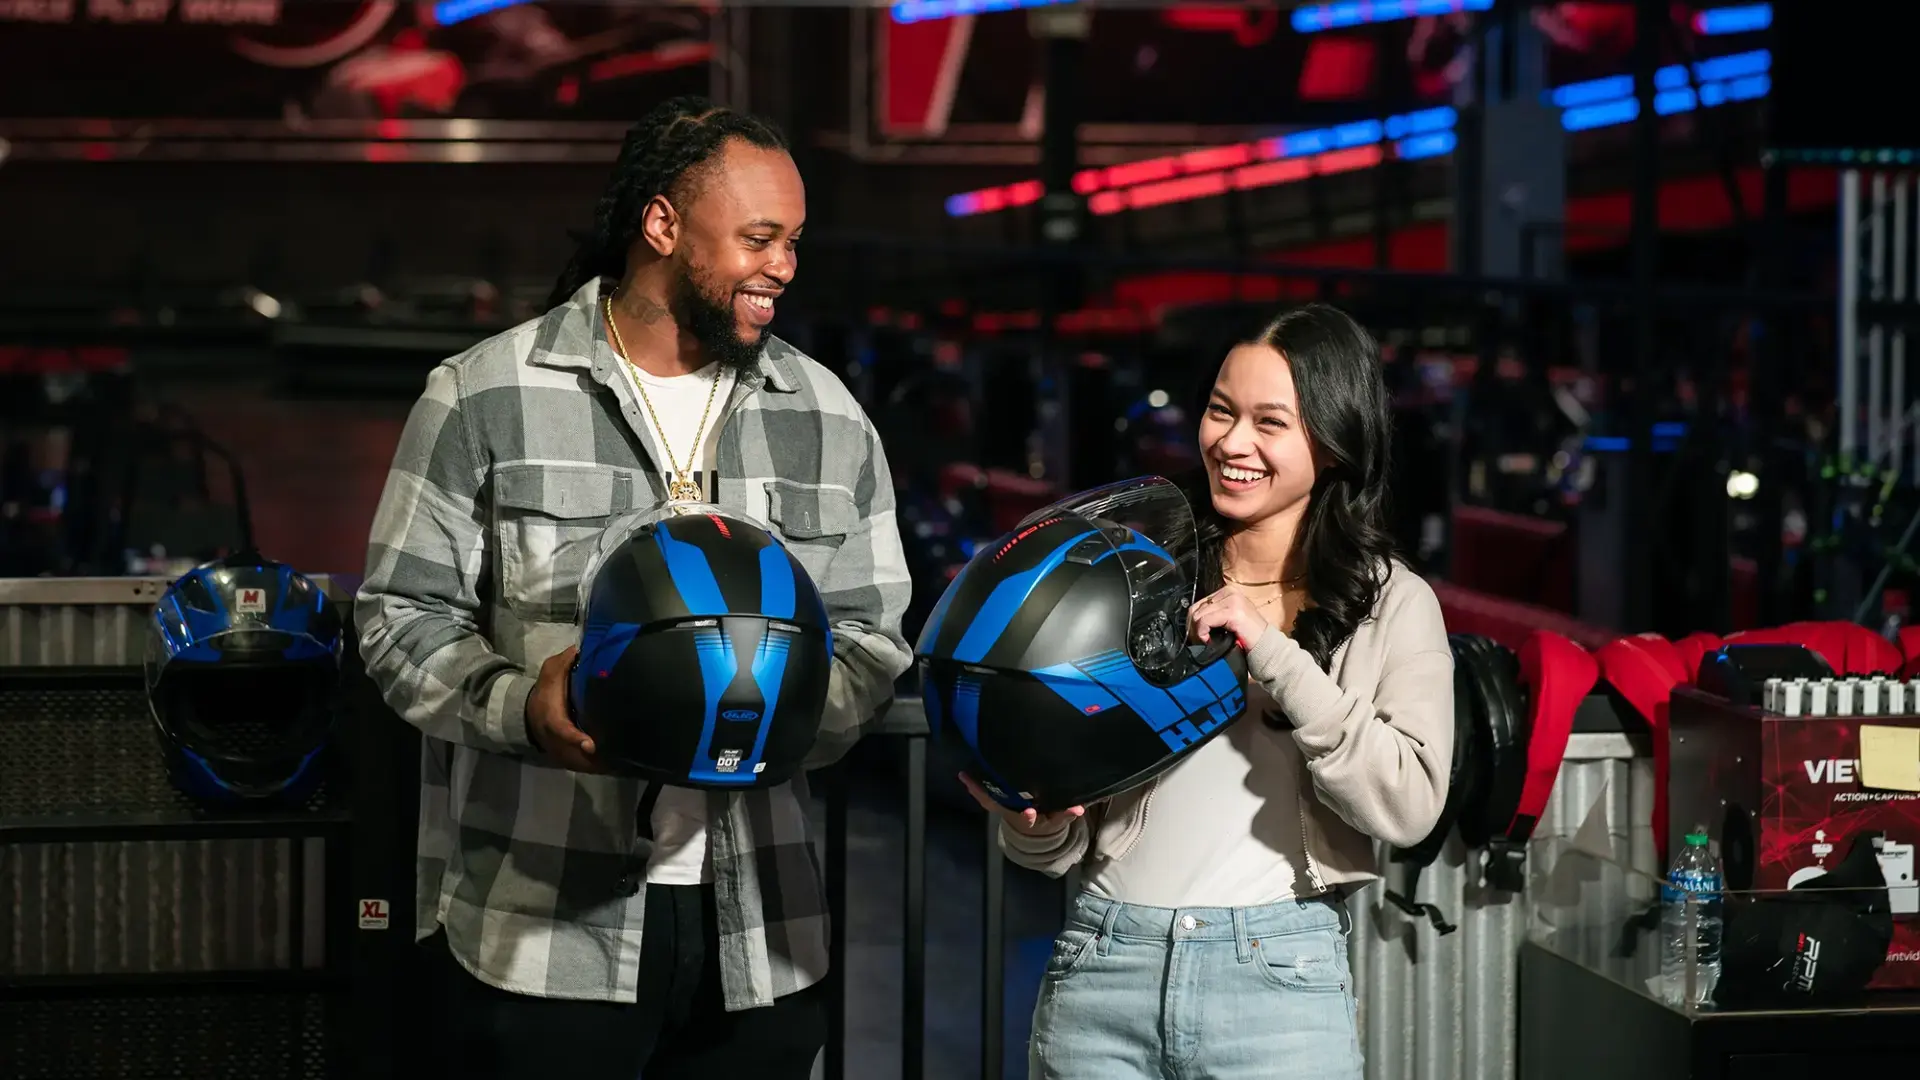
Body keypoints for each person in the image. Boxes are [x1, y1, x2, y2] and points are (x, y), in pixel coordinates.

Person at [355, 96, 912, 1080]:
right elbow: (400, 616)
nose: (783, 264)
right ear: (662, 225)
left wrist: (786, 718)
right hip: (542, 936)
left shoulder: (827, 412)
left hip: (764, 939)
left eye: (793, 240)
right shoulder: (486, 394)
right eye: (758, 237)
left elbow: (870, 632)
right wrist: (524, 707)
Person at [965, 303, 1453, 1080]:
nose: (1232, 442)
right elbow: (1060, 843)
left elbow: (1409, 804)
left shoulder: (1391, 602)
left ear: (1332, 442)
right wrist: (1035, 820)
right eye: (1222, 412)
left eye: (1270, 422)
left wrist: (1278, 657)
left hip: (1279, 988)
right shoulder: (1135, 571)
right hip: (1104, 963)